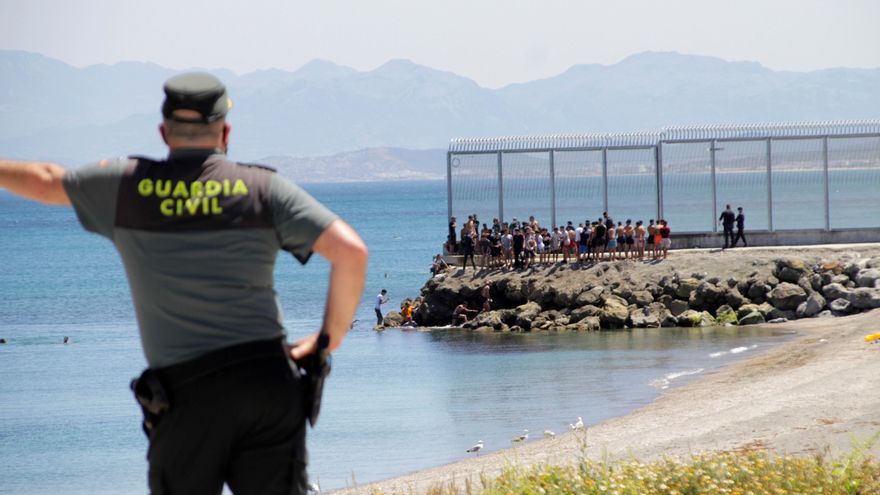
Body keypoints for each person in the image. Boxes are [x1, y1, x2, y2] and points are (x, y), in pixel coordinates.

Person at [0, 72, 368, 495]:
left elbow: (46, 180)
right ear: (225, 132)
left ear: (163, 132)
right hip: (268, 383)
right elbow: (351, 252)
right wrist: (327, 338)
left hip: (187, 398)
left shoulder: (127, 186)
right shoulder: (263, 189)